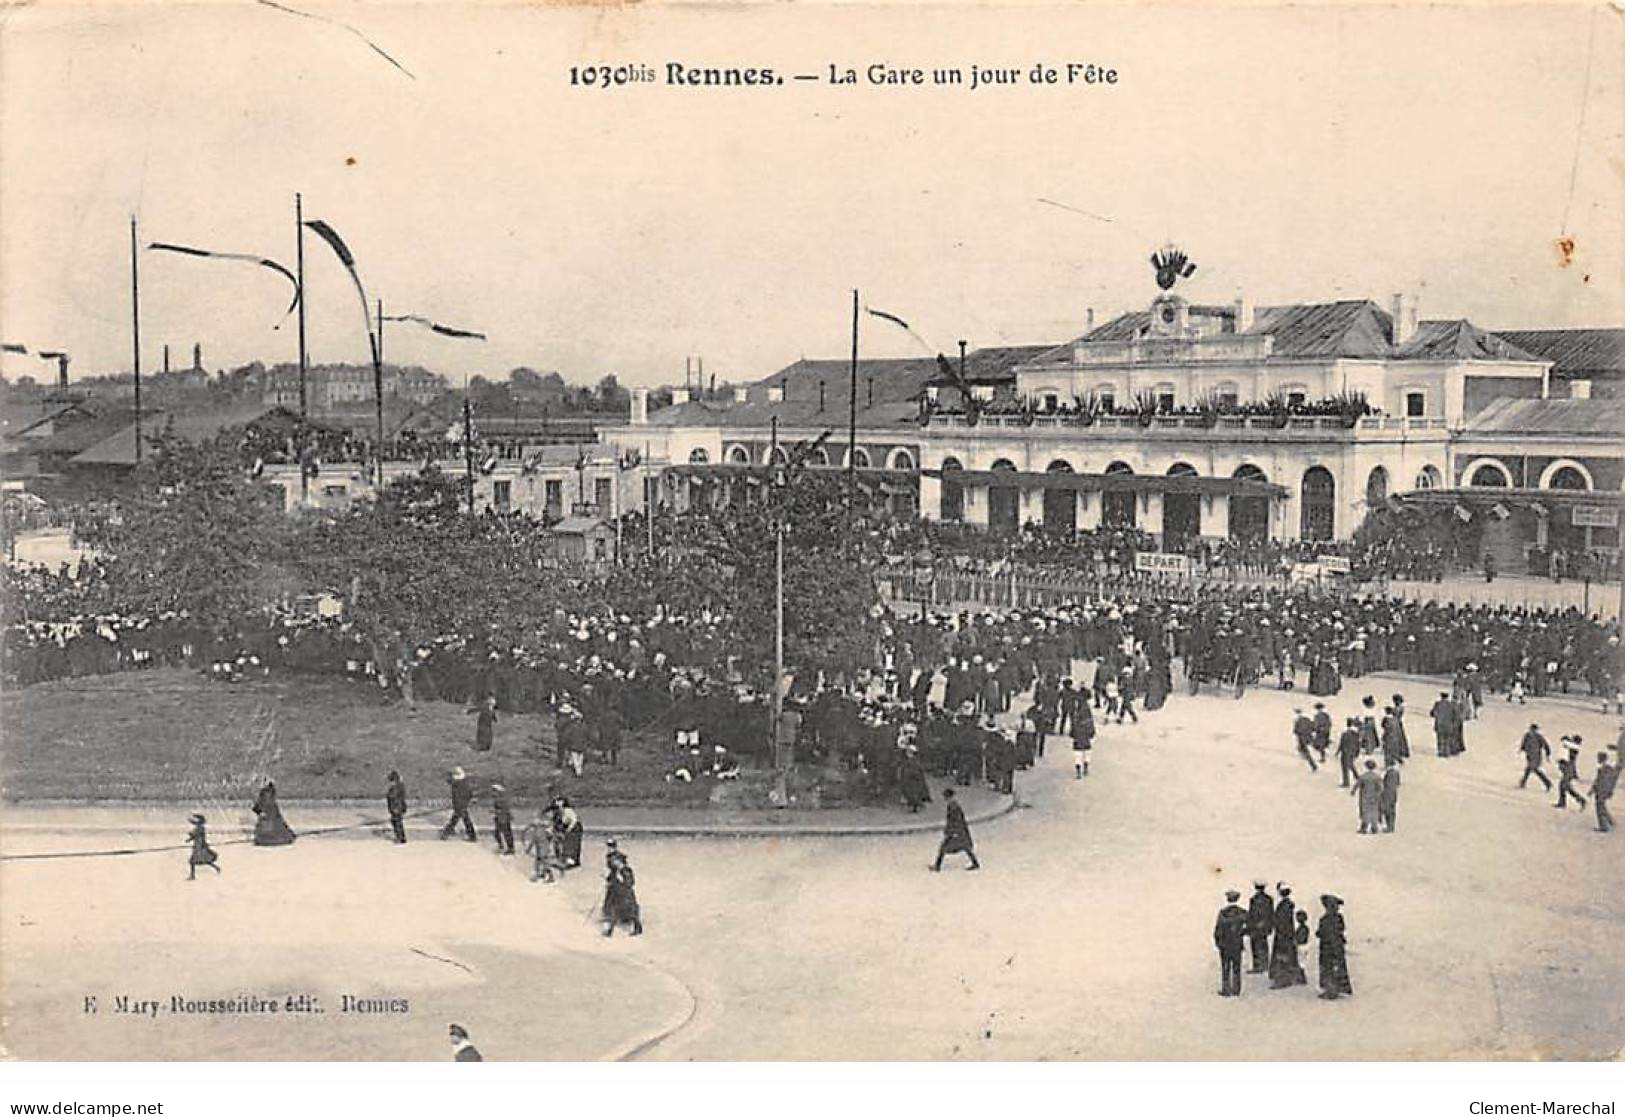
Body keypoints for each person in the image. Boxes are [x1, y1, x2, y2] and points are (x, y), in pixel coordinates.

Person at [931, 787, 980, 871]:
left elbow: (953, 820)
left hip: (956, 831)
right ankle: (975, 863)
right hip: (960, 830)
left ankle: (937, 866)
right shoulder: (954, 805)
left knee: (943, 847)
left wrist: (950, 831)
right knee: (965, 846)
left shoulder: (952, 806)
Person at [601, 842, 643, 936]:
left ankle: (637, 928)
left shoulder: (626, 870)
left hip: (625, 894)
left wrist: (621, 883)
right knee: (615, 910)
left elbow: (630, 882)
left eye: (616, 861)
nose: (615, 863)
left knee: (631, 912)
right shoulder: (617, 870)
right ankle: (609, 930)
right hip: (618, 893)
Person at [1268, 883, 1304, 989]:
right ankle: (1292, 977)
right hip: (1287, 934)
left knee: (1282, 958)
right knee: (1289, 956)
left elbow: (1281, 921)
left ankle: (1282, 980)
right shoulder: (1288, 904)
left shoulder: (1284, 905)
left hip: (1283, 935)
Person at [1316, 895, 1352, 1000]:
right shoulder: (1339, 918)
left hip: (1328, 947)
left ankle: (1331, 991)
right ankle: (1340, 987)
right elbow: (1341, 929)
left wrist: (1319, 933)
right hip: (1338, 946)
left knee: (1328, 968)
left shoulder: (1324, 919)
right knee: (1338, 966)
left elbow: (1323, 932)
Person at [1214, 889, 1248, 997]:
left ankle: (1226, 988)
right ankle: (1236, 989)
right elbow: (1249, 926)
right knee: (1237, 967)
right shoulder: (1242, 912)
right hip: (1237, 944)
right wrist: (1241, 933)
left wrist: (1218, 942)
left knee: (1225, 967)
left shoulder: (1223, 913)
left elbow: (1218, 929)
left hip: (1225, 944)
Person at [251, 779, 296, 846]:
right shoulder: (270, 802)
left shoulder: (265, 798)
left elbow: (256, 809)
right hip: (272, 835)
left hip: (263, 837)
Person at [441, 767, 477, 841]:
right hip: (461, 804)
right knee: (462, 820)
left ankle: (447, 832)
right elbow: (469, 794)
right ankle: (472, 836)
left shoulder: (458, 784)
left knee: (457, 820)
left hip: (460, 804)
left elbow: (451, 782)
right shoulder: (463, 783)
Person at [1246, 882, 1274, 975]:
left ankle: (1257, 966)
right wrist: (1269, 926)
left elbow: (1251, 914)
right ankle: (1264, 965)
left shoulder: (1253, 899)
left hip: (1255, 927)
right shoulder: (1269, 899)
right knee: (1263, 945)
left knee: (1255, 946)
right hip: (1263, 927)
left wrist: (1249, 927)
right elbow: (1271, 914)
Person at [1518, 724, 1553, 791]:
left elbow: (1546, 745)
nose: (1532, 731)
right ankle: (1523, 783)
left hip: (1536, 756)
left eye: (1534, 730)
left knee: (1533, 769)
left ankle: (1547, 783)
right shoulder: (1527, 735)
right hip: (1529, 755)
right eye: (1531, 730)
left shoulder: (1539, 736)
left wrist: (1548, 754)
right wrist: (1522, 749)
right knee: (1529, 769)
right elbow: (1524, 743)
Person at [1352, 759, 1383, 834]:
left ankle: (1364, 827)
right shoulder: (1377, 777)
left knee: (1365, 811)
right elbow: (1381, 787)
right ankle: (1374, 827)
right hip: (1374, 797)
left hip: (1365, 796)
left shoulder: (1363, 776)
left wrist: (1353, 791)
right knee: (1374, 811)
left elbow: (1357, 785)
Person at [1555, 742, 1588, 811]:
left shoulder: (1573, 751)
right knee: (1565, 787)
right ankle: (1563, 802)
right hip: (1569, 771)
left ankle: (1580, 800)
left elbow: (1568, 760)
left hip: (1568, 772)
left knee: (1564, 786)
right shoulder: (1573, 750)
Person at [186, 813, 220, 880]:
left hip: (199, 846)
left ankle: (192, 876)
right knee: (203, 860)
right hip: (198, 846)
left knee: (192, 861)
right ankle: (216, 868)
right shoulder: (200, 827)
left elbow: (195, 836)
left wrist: (190, 838)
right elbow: (195, 836)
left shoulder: (199, 828)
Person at [1593, 751, 1617, 834]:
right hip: (1603, 790)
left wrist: (1595, 789)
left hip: (1602, 790)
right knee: (1601, 806)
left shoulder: (1604, 769)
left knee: (1599, 807)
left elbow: (1600, 781)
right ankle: (1610, 821)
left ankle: (1603, 826)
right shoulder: (1607, 768)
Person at [1071, 700, 1095, 779]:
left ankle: (1078, 771)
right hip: (1086, 739)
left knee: (1078, 756)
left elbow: (1072, 732)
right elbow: (1092, 732)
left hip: (1077, 740)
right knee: (1087, 754)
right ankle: (1086, 767)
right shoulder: (1089, 720)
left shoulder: (1075, 718)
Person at [1336, 719, 1361, 789]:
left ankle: (1346, 782)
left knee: (1345, 767)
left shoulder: (1345, 733)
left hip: (1345, 752)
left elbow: (1341, 744)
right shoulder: (1356, 734)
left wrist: (1337, 752)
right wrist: (1357, 752)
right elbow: (1358, 744)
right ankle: (1357, 777)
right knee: (1351, 765)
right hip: (1352, 752)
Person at [490, 783, 515, 855]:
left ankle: (510, 848)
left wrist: (494, 811)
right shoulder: (498, 799)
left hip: (503, 818)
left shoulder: (501, 800)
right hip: (500, 818)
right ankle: (503, 846)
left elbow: (504, 809)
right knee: (498, 833)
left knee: (506, 833)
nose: (493, 793)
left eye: (494, 791)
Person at [385, 770, 408, 844]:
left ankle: (400, 838)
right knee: (398, 822)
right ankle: (402, 837)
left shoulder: (395, 787)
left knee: (396, 822)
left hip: (396, 807)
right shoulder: (400, 785)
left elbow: (393, 797)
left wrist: (394, 808)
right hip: (398, 807)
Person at [1292, 708, 1318, 773]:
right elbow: (1313, 727)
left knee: (1304, 750)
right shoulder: (1307, 719)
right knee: (1305, 748)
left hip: (1302, 738)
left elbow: (1295, 731)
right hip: (1309, 736)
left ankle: (1312, 764)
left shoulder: (1297, 721)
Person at [1379, 757, 1401, 833]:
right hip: (1394, 794)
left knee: (1387, 810)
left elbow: (1385, 784)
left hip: (1387, 793)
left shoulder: (1389, 773)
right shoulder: (1396, 773)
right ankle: (1391, 826)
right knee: (1392, 810)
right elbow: (1398, 784)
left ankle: (1389, 827)